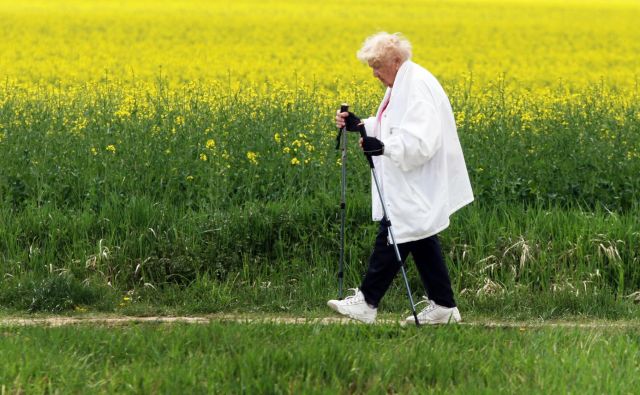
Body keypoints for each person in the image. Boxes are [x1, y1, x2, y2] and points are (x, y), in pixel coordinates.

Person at [327, 32, 474, 324]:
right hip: (410, 179)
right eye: (372, 67)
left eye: (377, 66)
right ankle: (444, 306)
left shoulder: (416, 85)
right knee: (418, 235)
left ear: (395, 60)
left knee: (396, 230)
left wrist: (383, 147)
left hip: (416, 178)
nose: (375, 74)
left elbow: (422, 140)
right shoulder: (404, 81)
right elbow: (392, 124)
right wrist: (361, 125)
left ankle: (367, 303)